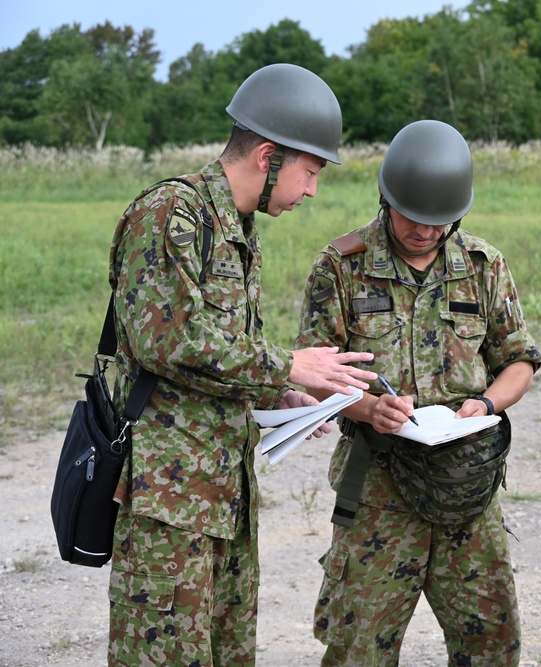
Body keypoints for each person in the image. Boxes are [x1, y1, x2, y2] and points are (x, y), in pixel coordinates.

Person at [106, 63, 377, 666]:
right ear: (267, 155)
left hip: (226, 489)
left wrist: (278, 400)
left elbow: (217, 357)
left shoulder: (239, 228)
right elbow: (166, 341)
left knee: (228, 654)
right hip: (170, 500)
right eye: (310, 172)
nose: (312, 191)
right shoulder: (173, 214)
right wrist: (288, 366)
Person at [297, 119, 541, 666]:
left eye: (440, 222)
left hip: (468, 486)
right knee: (359, 648)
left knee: (492, 644)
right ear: (386, 197)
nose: (425, 232)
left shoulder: (482, 266)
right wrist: (368, 407)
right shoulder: (342, 267)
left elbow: (520, 359)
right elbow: (316, 373)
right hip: (378, 491)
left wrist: (486, 404)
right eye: (413, 218)